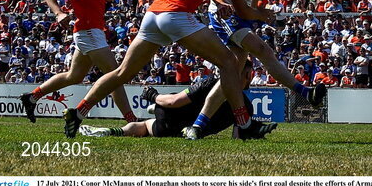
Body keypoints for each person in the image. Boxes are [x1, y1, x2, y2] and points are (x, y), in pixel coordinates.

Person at [63, 0, 275, 140]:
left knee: (122, 72)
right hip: (177, 15)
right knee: (230, 62)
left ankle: (78, 112)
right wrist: (262, 14)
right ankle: (245, 123)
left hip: (153, 13)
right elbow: (242, 10)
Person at [185, 0, 311, 139]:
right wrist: (221, 3)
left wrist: (253, 13)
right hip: (223, 13)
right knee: (262, 50)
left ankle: (197, 126)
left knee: (231, 76)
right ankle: (303, 91)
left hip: (242, 16)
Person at [20, 0, 135, 125]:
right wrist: (59, 13)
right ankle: (131, 120)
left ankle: (31, 97)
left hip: (96, 27)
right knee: (114, 74)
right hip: (86, 28)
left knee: (75, 76)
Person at [79, 60, 275, 139]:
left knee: (146, 125)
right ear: (246, 74)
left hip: (170, 121)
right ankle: (152, 109)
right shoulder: (246, 107)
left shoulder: (209, 83)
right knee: (153, 118)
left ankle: (110, 132)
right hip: (183, 130)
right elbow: (237, 135)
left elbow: (175, 103)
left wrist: (153, 96)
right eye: (250, 73)